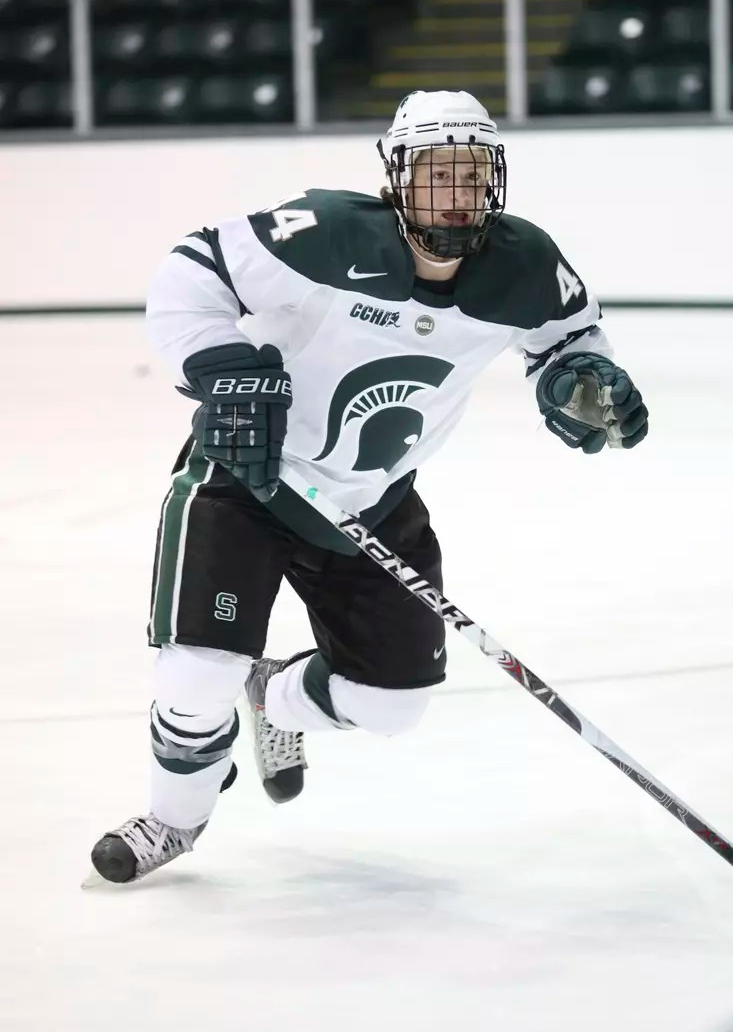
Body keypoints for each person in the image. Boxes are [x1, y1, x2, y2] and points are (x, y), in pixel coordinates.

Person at [90, 90, 648, 883]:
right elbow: (194, 269)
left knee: (391, 705)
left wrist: (578, 378)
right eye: (436, 174)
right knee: (196, 678)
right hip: (248, 480)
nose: (455, 193)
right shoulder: (326, 232)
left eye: (471, 175)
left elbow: (569, 337)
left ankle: (275, 696)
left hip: (371, 502)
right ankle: (174, 819)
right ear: (397, 179)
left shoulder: (523, 263)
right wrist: (220, 367)